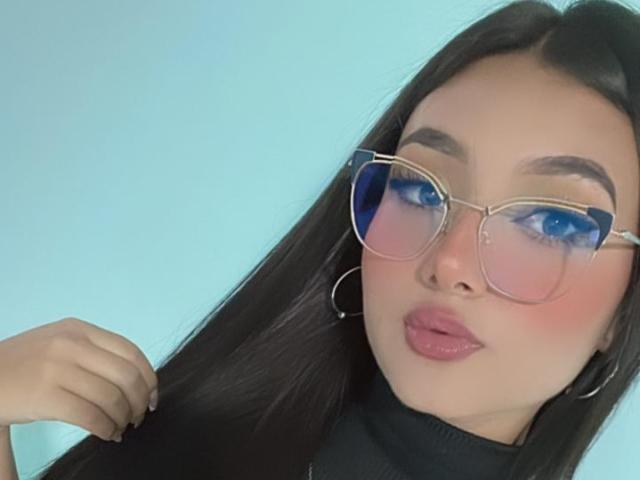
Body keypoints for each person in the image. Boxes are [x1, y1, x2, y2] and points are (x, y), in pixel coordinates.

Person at [2, 0, 640, 478]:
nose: (449, 262)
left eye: (553, 223)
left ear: (623, 310)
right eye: (421, 191)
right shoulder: (188, 445)